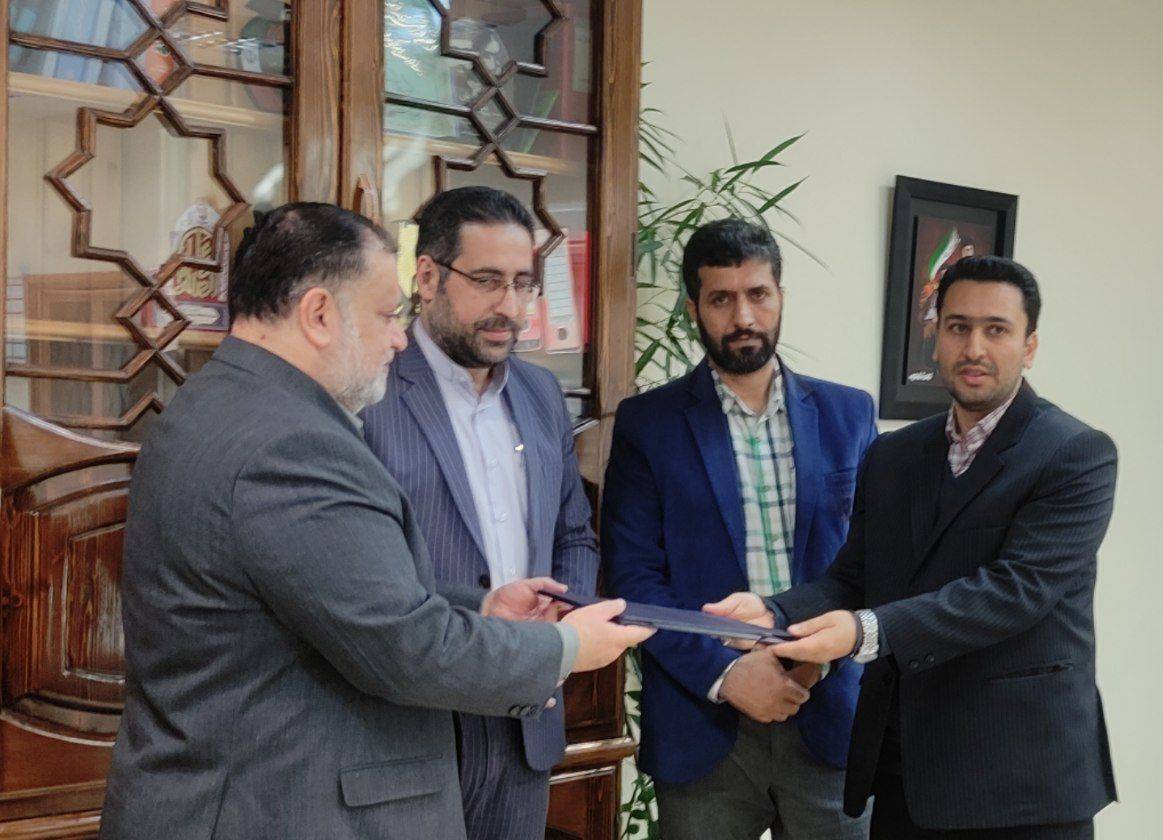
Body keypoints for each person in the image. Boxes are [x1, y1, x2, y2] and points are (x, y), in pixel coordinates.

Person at [100, 202, 650, 840]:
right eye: (388, 315)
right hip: (275, 807)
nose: (399, 338)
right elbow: (403, 646)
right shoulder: (293, 443)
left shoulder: (219, 400)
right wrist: (567, 648)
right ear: (318, 314)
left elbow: (332, 590)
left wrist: (480, 605)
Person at [708, 255, 1117, 839]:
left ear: (1029, 347)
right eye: (958, 327)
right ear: (936, 339)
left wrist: (864, 631)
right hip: (906, 772)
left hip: (1024, 785)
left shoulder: (1075, 453)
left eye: (996, 330)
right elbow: (853, 577)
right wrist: (773, 613)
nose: (974, 347)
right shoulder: (894, 454)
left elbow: (1016, 591)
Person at [603, 218, 878, 839]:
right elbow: (635, 581)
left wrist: (812, 660)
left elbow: (874, 558)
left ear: (781, 296)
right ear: (693, 308)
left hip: (830, 716)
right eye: (721, 299)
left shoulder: (849, 413)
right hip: (703, 728)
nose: (743, 317)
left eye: (758, 294)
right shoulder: (649, 424)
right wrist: (727, 676)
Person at [362, 186, 599, 840]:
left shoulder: (541, 392)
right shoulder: (370, 387)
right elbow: (359, 570)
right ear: (427, 277)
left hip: (524, 717)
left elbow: (574, 533)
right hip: (409, 725)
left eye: (523, 284)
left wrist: (560, 614)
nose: (510, 307)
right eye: (488, 281)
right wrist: (483, 613)